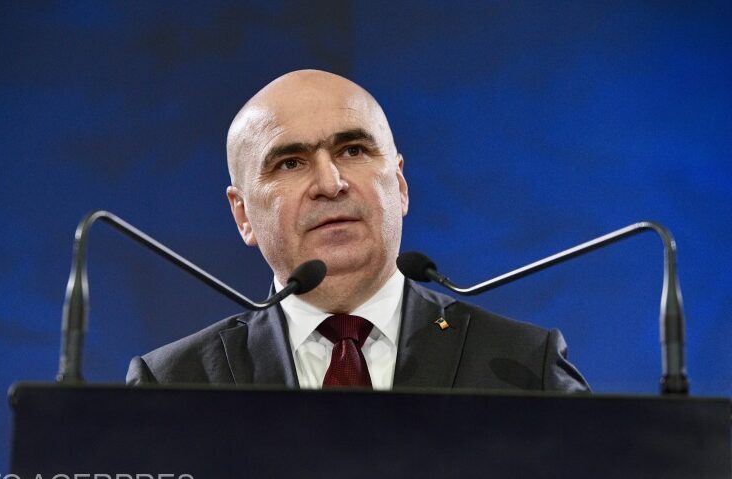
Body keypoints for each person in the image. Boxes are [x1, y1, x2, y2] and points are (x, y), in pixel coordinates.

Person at [126, 69, 589, 392]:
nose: (330, 184)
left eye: (352, 151)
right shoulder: (173, 383)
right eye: (290, 163)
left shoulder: (524, 365)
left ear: (400, 185)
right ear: (243, 214)